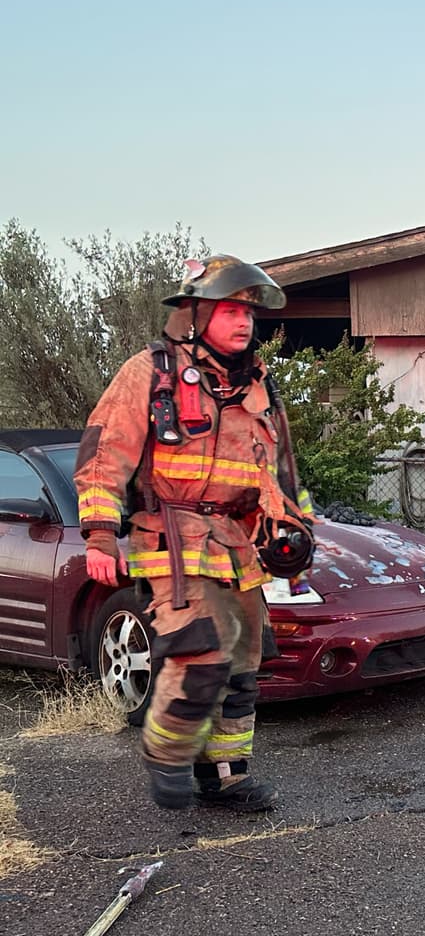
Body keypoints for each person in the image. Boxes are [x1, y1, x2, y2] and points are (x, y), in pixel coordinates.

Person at [74, 255, 315, 812]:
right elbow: (103, 456)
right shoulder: (150, 373)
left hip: (237, 543)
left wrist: (299, 533)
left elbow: (284, 475)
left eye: (250, 313)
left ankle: (225, 778)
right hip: (171, 538)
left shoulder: (260, 388)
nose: (244, 322)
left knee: (243, 664)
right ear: (195, 314)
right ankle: (168, 751)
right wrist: (100, 535)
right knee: (201, 653)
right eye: (231, 310)